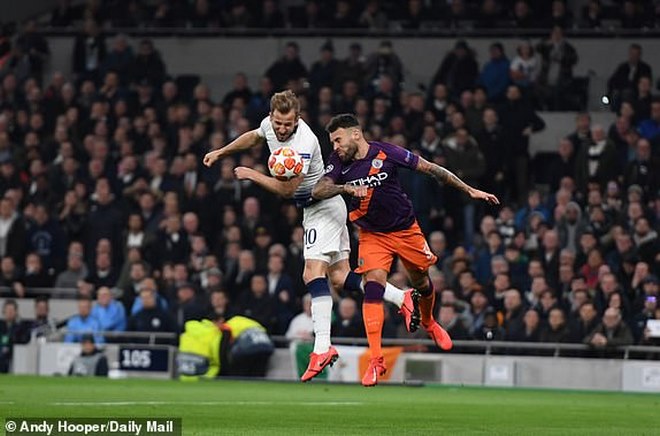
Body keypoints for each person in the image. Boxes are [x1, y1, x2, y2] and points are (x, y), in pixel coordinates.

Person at [203, 91, 418, 383]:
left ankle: (322, 346)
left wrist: (252, 174)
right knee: (341, 277)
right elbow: (255, 136)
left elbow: (287, 191)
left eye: (287, 124)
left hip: (323, 207)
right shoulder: (269, 124)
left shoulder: (303, 142)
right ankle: (401, 297)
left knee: (311, 273)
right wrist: (222, 152)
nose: (281, 129)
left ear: (298, 119)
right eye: (278, 123)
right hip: (319, 209)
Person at [312, 113, 499, 386]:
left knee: (422, 282)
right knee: (373, 284)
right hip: (372, 235)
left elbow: (431, 169)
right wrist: (346, 189)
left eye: (338, 140)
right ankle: (376, 361)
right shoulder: (338, 163)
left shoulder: (386, 152)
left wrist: (468, 189)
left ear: (355, 133)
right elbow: (319, 189)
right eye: (332, 143)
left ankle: (429, 323)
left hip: (406, 229)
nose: (335, 147)